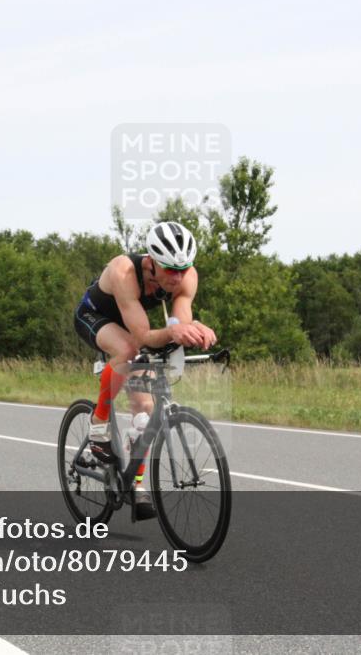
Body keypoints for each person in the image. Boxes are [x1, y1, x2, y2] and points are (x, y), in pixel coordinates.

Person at [73, 221, 217, 519]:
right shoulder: (124, 271)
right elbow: (142, 338)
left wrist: (193, 330)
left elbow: (177, 323)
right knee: (128, 351)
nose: (178, 278)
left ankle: (134, 484)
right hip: (94, 315)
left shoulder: (187, 276)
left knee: (145, 410)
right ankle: (98, 428)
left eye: (183, 269)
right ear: (151, 262)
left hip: (130, 321)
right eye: (170, 270)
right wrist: (175, 333)